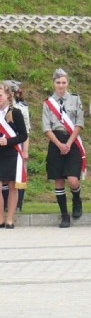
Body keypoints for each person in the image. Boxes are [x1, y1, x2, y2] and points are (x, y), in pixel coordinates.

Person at [43, 68, 86, 228]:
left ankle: (77, 199)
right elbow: (46, 128)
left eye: (64, 82)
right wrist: (59, 144)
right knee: (59, 180)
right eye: (58, 82)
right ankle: (64, 215)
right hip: (56, 142)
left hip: (72, 141)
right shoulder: (48, 103)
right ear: (53, 84)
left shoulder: (75, 99)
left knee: (73, 180)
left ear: (67, 83)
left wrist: (68, 143)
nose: (61, 85)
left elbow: (79, 123)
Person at [0, 81, 27, 229]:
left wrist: (8, 141)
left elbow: (23, 135)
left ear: (8, 96)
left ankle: (10, 219)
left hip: (12, 153)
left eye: (0, 95)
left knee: (12, 186)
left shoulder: (15, 113)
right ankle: (0, 218)